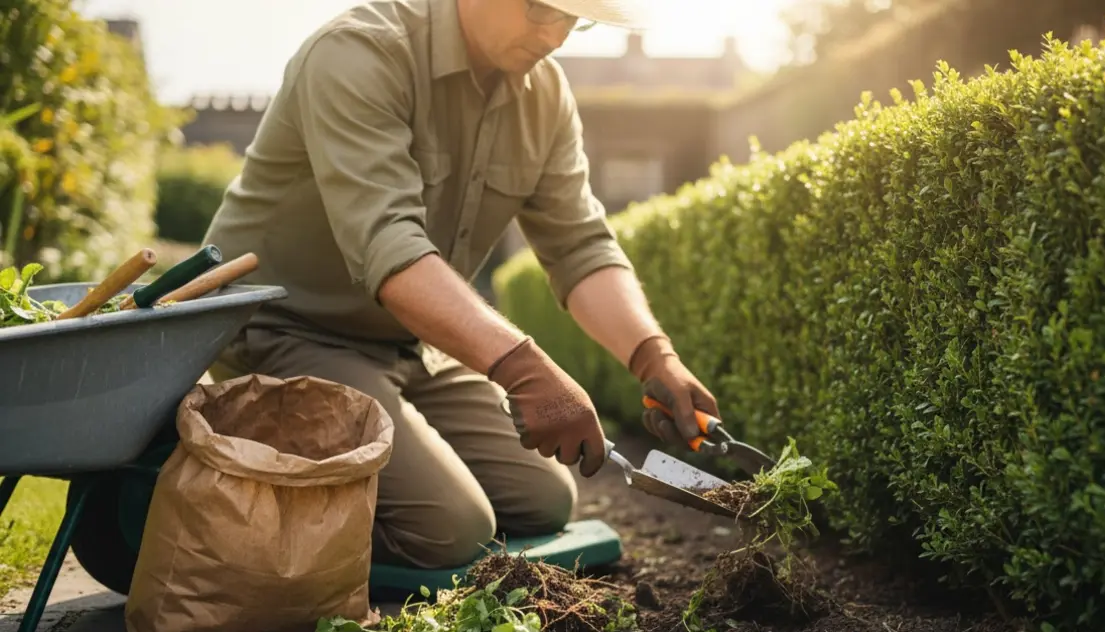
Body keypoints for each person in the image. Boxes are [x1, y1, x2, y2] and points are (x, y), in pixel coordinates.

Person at [204, 0, 719, 570]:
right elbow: (390, 247)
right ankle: (215, 506)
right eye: (540, 9)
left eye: (575, 19)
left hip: (407, 342)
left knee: (542, 501)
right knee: (447, 528)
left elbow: (579, 245)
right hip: (282, 330)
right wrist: (524, 369)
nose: (555, 34)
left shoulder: (543, 95)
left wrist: (655, 357)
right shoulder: (360, 53)